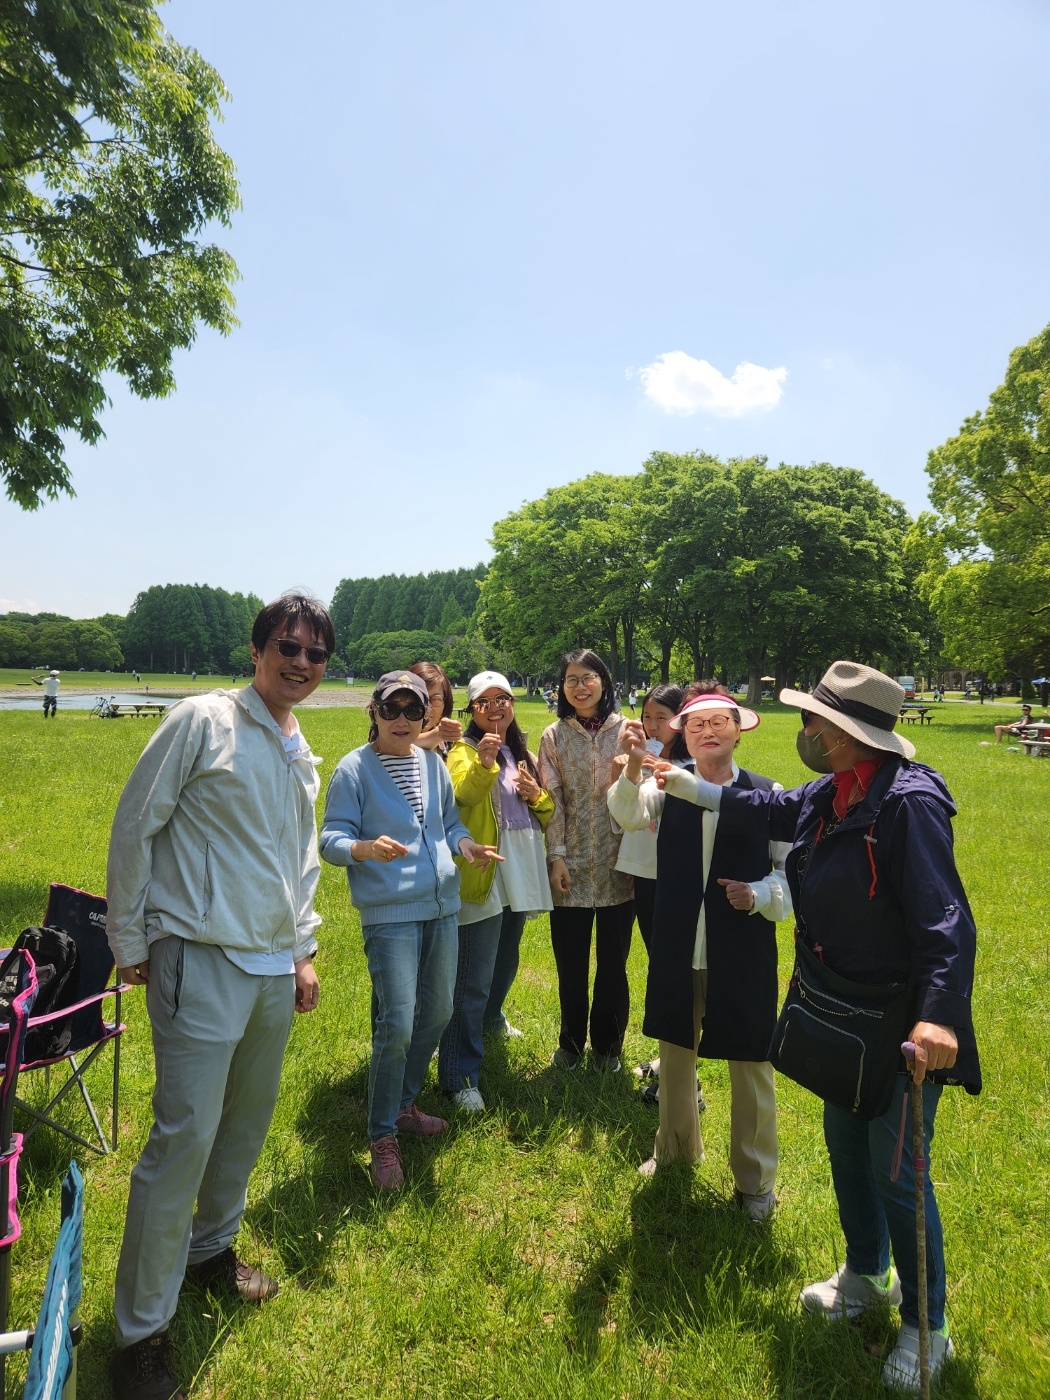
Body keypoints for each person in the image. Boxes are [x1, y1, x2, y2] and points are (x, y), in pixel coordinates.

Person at [657, 661, 980, 1393]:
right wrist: (678, 781)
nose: (803, 730)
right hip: (838, 1012)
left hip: (898, 1024)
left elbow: (946, 922)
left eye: (813, 720)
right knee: (847, 1149)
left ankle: (927, 1327)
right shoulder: (829, 794)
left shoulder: (908, 804)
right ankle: (867, 1274)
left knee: (898, 1172)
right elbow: (758, 808)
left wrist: (937, 1017)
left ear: (845, 732)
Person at [105, 593, 333, 1400]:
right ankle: (140, 1335)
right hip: (198, 955)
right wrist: (129, 940)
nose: (301, 663)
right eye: (288, 647)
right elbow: (136, 825)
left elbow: (299, 857)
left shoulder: (297, 743)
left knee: (243, 1126)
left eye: (315, 653)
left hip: (272, 967)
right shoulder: (203, 721)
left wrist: (302, 949)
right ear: (257, 649)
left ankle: (210, 1252)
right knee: (184, 1140)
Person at [609, 684, 791, 1219]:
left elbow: (790, 872)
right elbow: (627, 815)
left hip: (743, 949)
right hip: (679, 943)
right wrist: (633, 766)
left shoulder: (766, 793)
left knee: (750, 1060)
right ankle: (674, 1150)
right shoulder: (666, 785)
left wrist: (759, 894)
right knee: (675, 1051)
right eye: (696, 725)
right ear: (683, 736)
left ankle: (755, 1181)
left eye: (718, 722)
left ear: (739, 730)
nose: (708, 732)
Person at [319, 671, 500, 1190]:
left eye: (412, 710)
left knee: (438, 1012)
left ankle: (402, 1104)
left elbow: (449, 823)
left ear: (425, 716)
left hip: (441, 907)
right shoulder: (354, 769)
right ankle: (382, 1136)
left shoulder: (432, 764)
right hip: (389, 913)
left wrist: (465, 846)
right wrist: (363, 848)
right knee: (397, 1021)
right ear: (374, 712)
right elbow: (330, 838)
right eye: (390, 709)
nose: (401, 720)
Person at [439, 670, 554, 1109]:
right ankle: (460, 1075)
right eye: (483, 702)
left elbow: (547, 811)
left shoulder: (520, 752)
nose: (494, 708)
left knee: (506, 959)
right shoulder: (463, 751)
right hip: (485, 870)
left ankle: (491, 1021)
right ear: (472, 710)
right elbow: (463, 796)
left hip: (520, 871)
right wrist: (485, 764)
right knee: (472, 975)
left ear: (512, 705)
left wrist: (536, 794)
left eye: (502, 699)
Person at [538, 650, 633, 1070]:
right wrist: (556, 857)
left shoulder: (627, 730)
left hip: (619, 864)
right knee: (570, 965)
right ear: (561, 687)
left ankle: (608, 1049)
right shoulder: (554, 736)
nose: (580, 687)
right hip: (571, 865)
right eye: (571, 679)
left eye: (588, 677)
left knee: (614, 965)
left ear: (604, 682)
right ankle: (570, 1045)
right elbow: (553, 800)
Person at [409, 660, 462, 759]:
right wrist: (437, 735)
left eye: (435, 699)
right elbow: (396, 744)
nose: (426, 707)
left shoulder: (449, 744)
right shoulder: (385, 736)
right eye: (418, 698)